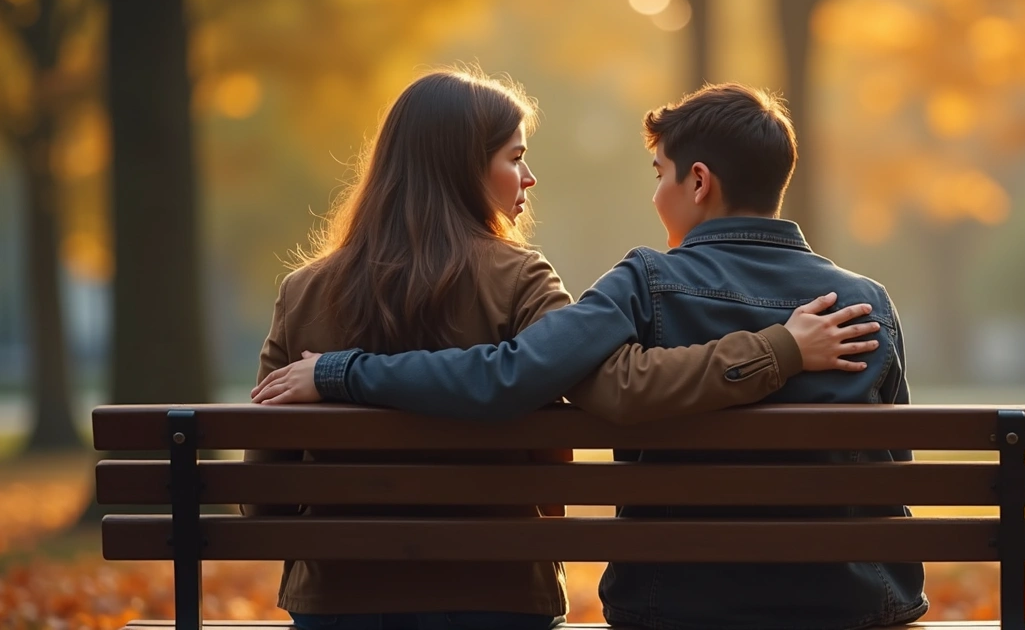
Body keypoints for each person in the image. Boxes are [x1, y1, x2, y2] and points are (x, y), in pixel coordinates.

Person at [246, 67, 885, 630]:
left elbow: (264, 493)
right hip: (498, 594)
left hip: (336, 597)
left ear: (698, 182)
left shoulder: (304, 292)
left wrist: (339, 375)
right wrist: (781, 350)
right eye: (515, 157)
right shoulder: (521, 278)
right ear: (462, 168)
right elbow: (891, 465)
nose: (530, 176)